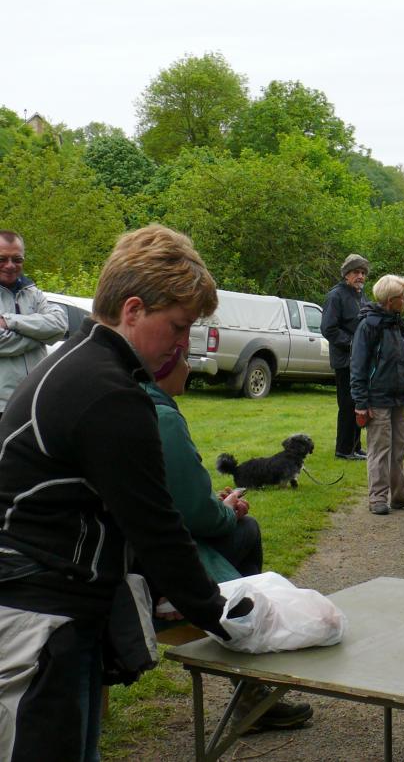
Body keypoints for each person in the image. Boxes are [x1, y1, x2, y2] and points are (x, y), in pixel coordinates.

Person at [0, 225, 250, 761]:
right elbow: (157, 527)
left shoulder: (78, 360)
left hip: (61, 602)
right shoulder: (109, 392)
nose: (184, 344)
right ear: (133, 310)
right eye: (179, 327)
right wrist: (226, 619)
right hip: (37, 611)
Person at [145, 349, 314, 732]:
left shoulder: (126, 401)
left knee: (239, 530)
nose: (190, 369)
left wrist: (216, 504)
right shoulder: (163, 416)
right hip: (157, 562)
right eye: (185, 360)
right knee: (247, 530)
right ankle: (249, 675)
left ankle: (249, 679)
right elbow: (192, 513)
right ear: (165, 369)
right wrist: (225, 510)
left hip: (133, 549)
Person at [351, 274, 404, 516]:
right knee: (379, 450)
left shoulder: (398, 324)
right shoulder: (369, 326)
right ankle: (377, 498)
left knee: (399, 449)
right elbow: (358, 366)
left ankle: (400, 495)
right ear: (390, 300)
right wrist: (361, 403)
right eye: (402, 296)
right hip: (377, 399)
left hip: (398, 398)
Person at [0, 230, 68, 420]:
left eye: (17, 259)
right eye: (2, 259)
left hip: (36, 399)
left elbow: (60, 324)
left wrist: (9, 321)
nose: (10, 265)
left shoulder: (33, 293)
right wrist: (40, 335)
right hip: (3, 405)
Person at [322, 253, 370, 461]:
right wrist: (353, 344)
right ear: (346, 275)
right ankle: (343, 448)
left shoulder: (361, 295)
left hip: (361, 360)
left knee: (359, 402)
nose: (360, 276)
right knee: (348, 404)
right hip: (345, 360)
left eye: (362, 273)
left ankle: (355, 446)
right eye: (355, 272)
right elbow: (328, 329)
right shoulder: (336, 296)